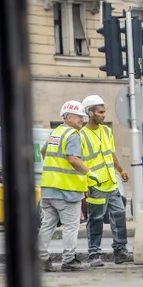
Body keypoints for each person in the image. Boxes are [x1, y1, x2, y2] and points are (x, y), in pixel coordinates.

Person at [36, 100, 90, 272]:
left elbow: (43, 152)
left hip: (48, 188)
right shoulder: (73, 135)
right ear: (68, 117)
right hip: (66, 190)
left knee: (47, 224)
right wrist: (89, 173)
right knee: (71, 226)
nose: (82, 119)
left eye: (83, 116)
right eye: (79, 116)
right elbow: (73, 159)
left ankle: (41, 257)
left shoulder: (56, 132)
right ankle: (69, 260)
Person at [79, 95, 132, 267]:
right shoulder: (81, 135)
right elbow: (80, 162)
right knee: (95, 219)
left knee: (119, 215)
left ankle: (120, 252)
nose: (103, 115)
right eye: (100, 112)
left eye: (104, 112)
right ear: (90, 113)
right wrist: (85, 185)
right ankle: (94, 254)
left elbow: (111, 154)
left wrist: (121, 170)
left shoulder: (107, 131)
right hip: (95, 185)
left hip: (111, 182)